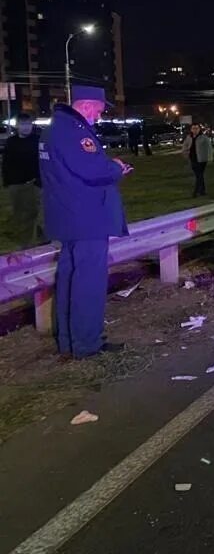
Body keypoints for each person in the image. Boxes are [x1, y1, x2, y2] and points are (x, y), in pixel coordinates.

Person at [40, 85, 131, 359]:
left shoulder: (53, 129)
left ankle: (69, 341)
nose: (100, 116)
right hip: (87, 218)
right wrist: (116, 167)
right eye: (100, 110)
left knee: (69, 279)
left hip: (67, 217)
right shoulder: (74, 131)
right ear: (88, 105)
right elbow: (92, 170)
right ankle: (87, 343)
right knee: (88, 283)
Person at [2, 112, 44, 248]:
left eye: (28, 124)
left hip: (34, 183)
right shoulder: (11, 142)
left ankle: (30, 242)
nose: (26, 127)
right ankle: (22, 239)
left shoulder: (38, 140)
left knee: (33, 213)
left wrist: (39, 179)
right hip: (16, 184)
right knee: (18, 213)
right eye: (23, 124)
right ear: (17, 126)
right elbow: (6, 163)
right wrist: (7, 182)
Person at [182, 123, 213, 197]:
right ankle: (202, 191)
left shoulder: (204, 137)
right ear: (191, 129)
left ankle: (196, 191)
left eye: (196, 128)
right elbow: (184, 146)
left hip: (202, 159)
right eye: (193, 128)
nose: (195, 130)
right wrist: (185, 153)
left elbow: (209, 148)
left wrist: (209, 158)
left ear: (199, 129)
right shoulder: (189, 137)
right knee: (199, 175)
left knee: (199, 175)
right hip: (193, 159)